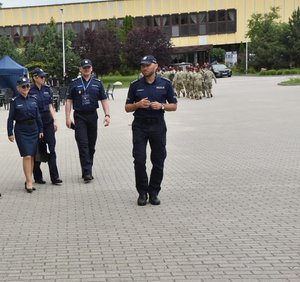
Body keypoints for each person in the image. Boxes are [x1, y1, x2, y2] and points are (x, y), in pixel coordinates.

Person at [125, 55, 177, 206]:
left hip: (158, 125)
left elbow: (173, 105)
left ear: (155, 66)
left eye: (147, 65)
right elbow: (127, 107)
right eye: (142, 65)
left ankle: (154, 192)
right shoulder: (135, 85)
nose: (144, 68)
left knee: (158, 160)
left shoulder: (165, 84)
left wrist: (161, 106)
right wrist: (137, 104)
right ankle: (142, 193)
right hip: (140, 126)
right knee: (139, 160)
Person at [65, 59, 110, 183]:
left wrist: (107, 115)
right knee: (83, 144)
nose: (86, 69)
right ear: (80, 69)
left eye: (88, 67)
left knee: (91, 146)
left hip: (92, 116)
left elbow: (104, 99)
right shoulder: (74, 83)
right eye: (84, 67)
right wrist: (67, 117)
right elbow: (69, 100)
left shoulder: (97, 83)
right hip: (79, 116)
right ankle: (87, 172)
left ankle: (88, 168)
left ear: (92, 68)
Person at [7, 77, 43, 193]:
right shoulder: (14, 101)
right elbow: (10, 118)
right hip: (21, 130)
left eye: (27, 86)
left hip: (33, 129)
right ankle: (28, 181)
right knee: (26, 155)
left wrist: (41, 130)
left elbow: (38, 116)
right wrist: (10, 133)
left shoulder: (33, 99)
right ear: (18, 88)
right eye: (23, 86)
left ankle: (29, 180)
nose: (26, 88)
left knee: (32, 156)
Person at [29, 67, 62, 185]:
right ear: (35, 78)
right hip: (35, 125)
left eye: (44, 76)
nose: (44, 79)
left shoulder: (47, 89)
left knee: (51, 149)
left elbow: (50, 106)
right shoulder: (29, 90)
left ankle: (55, 177)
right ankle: (37, 177)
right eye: (42, 77)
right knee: (36, 151)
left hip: (48, 123)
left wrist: (55, 120)